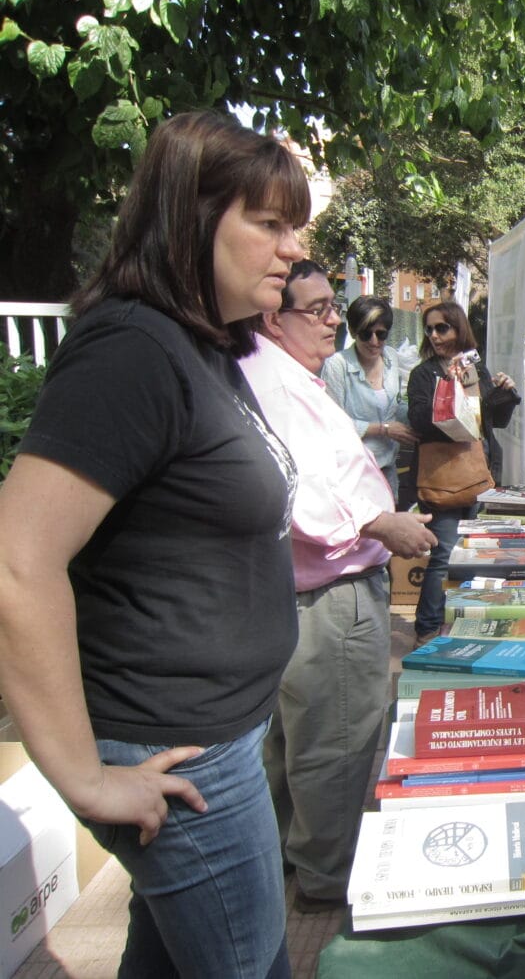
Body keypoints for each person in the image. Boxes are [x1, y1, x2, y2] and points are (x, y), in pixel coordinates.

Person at [0, 110, 306, 977]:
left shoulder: (202, 348)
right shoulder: (132, 350)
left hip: (219, 736)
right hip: (178, 752)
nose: (292, 248)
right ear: (191, 217)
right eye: (270, 224)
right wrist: (85, 780)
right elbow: (16, 564)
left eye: (296, 227)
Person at [239, 260, 437, 912]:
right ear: (274, 317)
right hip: (330, 592)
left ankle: (296, 862)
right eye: (320, 309)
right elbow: (291, 486)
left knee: (300, 741)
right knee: (336, 740)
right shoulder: (271, 379)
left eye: (335, 307)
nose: (335, 321)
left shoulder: (290, 374)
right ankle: (327, 877)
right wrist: (383, 523)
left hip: (314, 587)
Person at [407, 302, 520, 643]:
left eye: (442, 328)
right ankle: (427, 628)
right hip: (442, 476)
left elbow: (492, 422)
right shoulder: (424, 374)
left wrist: (506, 392)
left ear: (459, 329)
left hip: (478, 472)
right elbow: (419, 420)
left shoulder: (474, 369)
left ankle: (460, 623)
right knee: (443, 554)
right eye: (429, 329)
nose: (435, 335)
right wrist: (448, 389)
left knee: (475, 553)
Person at [319, 295, 417, 502]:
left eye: (381, 334)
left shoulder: (390, 357)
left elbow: (394, 407)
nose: (374, 341)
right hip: (353, 473)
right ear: (354, 332)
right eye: (366, 334)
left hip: (387, 468)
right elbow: (332, 425)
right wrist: (383, 429)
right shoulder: (338, 365)